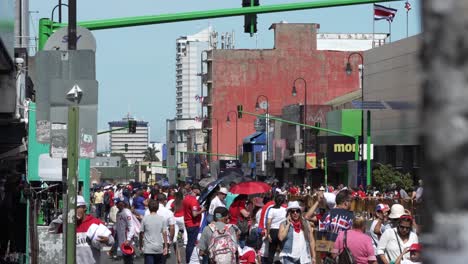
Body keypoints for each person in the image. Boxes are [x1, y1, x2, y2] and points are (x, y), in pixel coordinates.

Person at [48, 195, 114, 264]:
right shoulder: (68, 224)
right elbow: (51, 230)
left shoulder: (95, 222)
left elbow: (111, 241)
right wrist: (63, 217)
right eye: (72, 208)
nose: (75, 211)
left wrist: (107, 240)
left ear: (84, 208)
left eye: (77, 208)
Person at [139, 199, 168, 264]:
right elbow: (164, 233)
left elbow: (141, 233)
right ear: (157, 208)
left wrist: (140, 245)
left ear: (148, 208)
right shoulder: (162, 219)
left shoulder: (145, 219)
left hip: (148, 247)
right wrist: (165, 246)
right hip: (159, 247)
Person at [182, 183, 205, 263]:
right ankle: (189, 260)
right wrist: (202, 210)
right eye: (199, 189)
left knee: (190, 243)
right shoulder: (193, 200)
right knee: (191, 243)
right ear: (195, 190)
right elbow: (194, 214)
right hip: (193, 224)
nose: (200, 191)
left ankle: (189, 259)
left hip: (188, 222)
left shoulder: (186, 198)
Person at [266, 194, 287, 264]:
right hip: (282, 230)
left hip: (273, 231)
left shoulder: (271, 209)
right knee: (283, 250)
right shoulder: (285, 210)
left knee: (271, 251)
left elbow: (269, 222)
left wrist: (268, 233)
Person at [115, 197, 136, 264]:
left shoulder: (126, 212)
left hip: (126, 239)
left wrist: (128, 239)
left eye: (119, 203)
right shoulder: (118, 213)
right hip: (121, 238)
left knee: (128, 258)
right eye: (117, 203)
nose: (117, 205)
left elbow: (131, 226)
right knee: (125, 258)